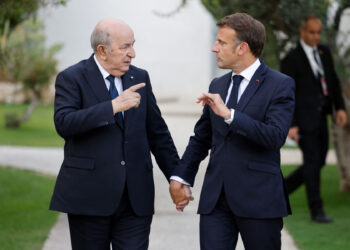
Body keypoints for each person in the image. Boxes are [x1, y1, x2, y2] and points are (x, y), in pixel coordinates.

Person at [49, 18, 179, 249]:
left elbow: (158, 133)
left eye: (133, 45)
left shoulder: (140, 77)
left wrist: (177, 177)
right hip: (88, 198)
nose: (133, 53)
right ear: (102, 51)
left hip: (135, 198)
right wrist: (112, 107)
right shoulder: (72, 78)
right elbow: (64, 123)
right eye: (125, 47)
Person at [170, 13, 295, 250]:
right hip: (215, 200)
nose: (214, 48)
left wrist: (230, 116)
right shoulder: (217, 85)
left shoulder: (280, 84)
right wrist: (181, 177)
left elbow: (275, 136)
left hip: (259, 201)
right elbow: (201, 139)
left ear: (242, 48)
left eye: (221, 43)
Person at [281, 16, 347, 223]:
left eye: (318, 32)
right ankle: (316, 210)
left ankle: (279, 191)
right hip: (303, 119)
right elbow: (286, 94)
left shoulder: (324, 52)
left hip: (323, 117)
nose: (316, 36)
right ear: (302, 31)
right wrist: (291, 124)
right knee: (312, 162)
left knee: (317, 162)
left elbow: (334, 82)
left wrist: (340, 108)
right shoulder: (291, 58)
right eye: (312, 32)